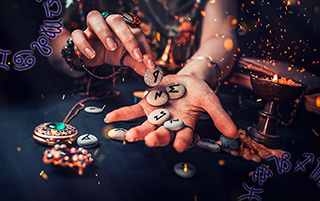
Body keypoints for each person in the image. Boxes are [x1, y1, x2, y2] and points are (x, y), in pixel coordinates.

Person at [49, 0, 239, 152]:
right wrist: (78, 53)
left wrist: (193, 74)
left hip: (177, 99)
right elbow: (53, 39)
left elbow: (221, 36)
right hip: (97, 98)